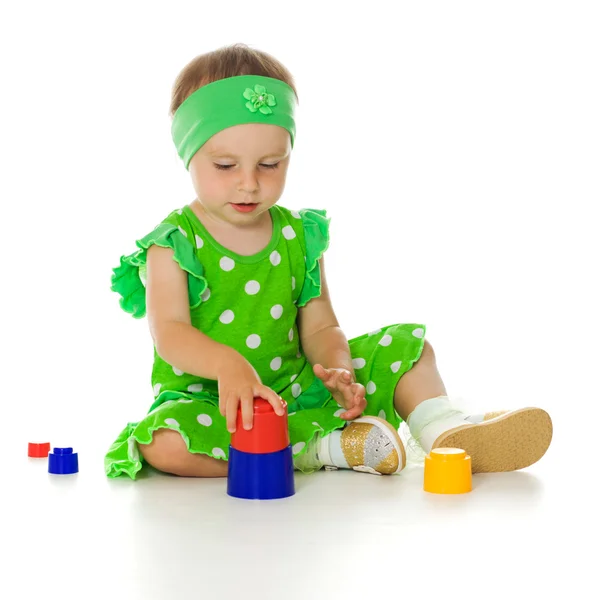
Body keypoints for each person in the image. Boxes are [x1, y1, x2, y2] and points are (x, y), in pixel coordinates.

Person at [105, 43, 552, 480]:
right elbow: (171, 334)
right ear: (188, 155)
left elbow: (320, 326)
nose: (249, 184)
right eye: (225, 165)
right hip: (215, 403)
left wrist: (337, 368)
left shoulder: (299, 236)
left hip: (299, 389)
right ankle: (323, 448)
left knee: (409, 348)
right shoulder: (173, 243)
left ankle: (444, 431)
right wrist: (228, 365)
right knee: (164, 442)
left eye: (269, 163)